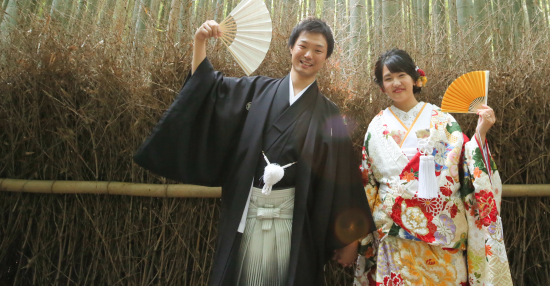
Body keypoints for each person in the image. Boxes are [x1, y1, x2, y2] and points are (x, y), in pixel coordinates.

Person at [134, 17, 373, 286]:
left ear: (326, 57)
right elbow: (209, 88)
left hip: (296, 221)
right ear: (291, 47)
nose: (308, 55)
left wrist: (349, 239)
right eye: (303, 46)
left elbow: (341, 175)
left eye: (318, 50)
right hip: (248, 211)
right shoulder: (256, 90)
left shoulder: (328, 113)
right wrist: (199, 42)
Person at [355, 49, 512, 286]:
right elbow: (369, 183)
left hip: (442, 228)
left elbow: (467, 167)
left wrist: (480, 133)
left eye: (401, 75)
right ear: (381, 86)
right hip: (394, 231)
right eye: (388, 78)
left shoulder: (443, 119)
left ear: (415, 78)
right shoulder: (376, 126)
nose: (396, 83)